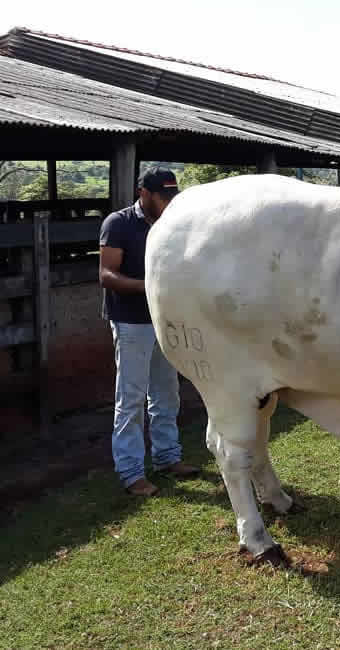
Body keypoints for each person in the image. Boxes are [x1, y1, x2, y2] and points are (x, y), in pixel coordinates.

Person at [99, 166, 199, 496]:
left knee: (166, 392)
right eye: (162, 196)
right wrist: (150, 287)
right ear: (144, 194)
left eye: (172, 195)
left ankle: (168, 457)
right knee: (130, 398)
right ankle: (131, 473)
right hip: (131, 323)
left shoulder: (172, 223)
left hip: (162, 320)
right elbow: (107, 274)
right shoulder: (119, 224)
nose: (169, 202)